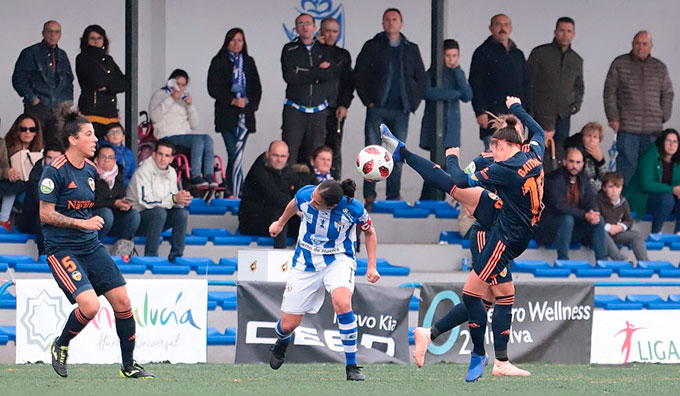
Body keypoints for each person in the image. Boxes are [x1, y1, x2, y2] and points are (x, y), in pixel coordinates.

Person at [382, 96, 539, 380]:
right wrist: (453, 160)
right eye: (496, 138)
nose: (495, 145)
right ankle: (490, 358)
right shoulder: (492, 160)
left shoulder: (521, 155)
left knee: (490, 299)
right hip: (488, 231)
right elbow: (454, 180)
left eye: (510, 130)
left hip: (501, 223)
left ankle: (429, 334)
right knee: (492, 295)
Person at [39, 108, 152, 378]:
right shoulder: (53, 172)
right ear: (72, 140)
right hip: (62, 249)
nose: (95, 140)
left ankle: (128, 366)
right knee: (90, 306)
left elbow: (89, 207)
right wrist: (82, 223)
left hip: (90, 246)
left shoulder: (90, 169)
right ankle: (61, 344)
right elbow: (45, 214)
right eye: (89, 134)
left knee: (123, 302)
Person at [268, 179, 380, 381]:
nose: (311, 203)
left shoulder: (353, 209)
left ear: (332, 206)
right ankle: (282, 340)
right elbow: (293, 205)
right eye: (313, 198)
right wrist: (280, 222)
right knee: (287, 325)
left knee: (343, 303)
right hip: (305, 261)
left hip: (338, 259)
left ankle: (352, 366)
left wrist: (372, 265)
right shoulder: (306, 194)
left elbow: (370, 232)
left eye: (317, 203)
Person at [354, 8, 427, 206]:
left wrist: (413, 102)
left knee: (395, 153)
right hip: (377, 108)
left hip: (401, 109)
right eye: (387, 19)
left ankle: (393, 195)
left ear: (401, 24)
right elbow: (359, 74)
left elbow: (421, 78)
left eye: (394, 19)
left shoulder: (411, 48)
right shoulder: (372, 46)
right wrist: (367, 100)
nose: (391, 23)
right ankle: (369, 196)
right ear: (382, 23)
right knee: (372, 152)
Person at [604, 30, 674, 184]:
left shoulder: (660, 67)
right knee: (627, 170)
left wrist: (664, 115)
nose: (640, 47)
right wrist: (613, 117)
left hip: (653, 130)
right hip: (627, 128)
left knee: (648, 172)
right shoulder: (620, 64)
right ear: (632, 44)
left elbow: (668, 93)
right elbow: (609, 92)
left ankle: (644, 208)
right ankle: (625, 206)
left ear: (651, 46)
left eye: (644, 44)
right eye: (637, 43)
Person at [207, 27, 262, 195]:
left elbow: (257, 88)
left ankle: (232, 188)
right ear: (227, 42)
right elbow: (212, 88)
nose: (236, 44)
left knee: (237, 154)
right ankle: (238, 189)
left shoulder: (249, 61)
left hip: (245, 117)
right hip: (226, 116)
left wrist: (248, 104)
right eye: (233, 40)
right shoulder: (219, 61)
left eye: (240, 40)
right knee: (234, 153)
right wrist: (232, 100)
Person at [419, 38, 473, 200]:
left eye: (454, 56)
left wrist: (457, 72)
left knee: (445, 165)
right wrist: (454, 94)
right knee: (437, 165)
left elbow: (467, 95)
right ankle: (432, 198)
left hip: (452, 128)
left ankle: (431, 198)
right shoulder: (433, 72)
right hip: (435, 126)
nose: (451, 59)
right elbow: (428, 93)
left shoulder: (458, 73)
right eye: (448, 55)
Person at [527, 16, 584, 168]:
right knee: (536, 156)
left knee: (559, 155)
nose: (565, 34)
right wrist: (530, 112)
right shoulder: (540, 53)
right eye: (562, 30)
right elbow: (527, 82)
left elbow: (579, 86)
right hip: (540, 115)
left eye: (569, 31)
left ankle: (555, 190)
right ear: (555, 32)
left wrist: (576, 105)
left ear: (573, 34)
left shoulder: (577, 60)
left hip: (564, 115)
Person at [469, 14, 530, 150]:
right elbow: (475, 83)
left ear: (511, 29)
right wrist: (480, 111)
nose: (502, 28)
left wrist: (527, 114)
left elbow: (525, 84)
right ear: (491, 28)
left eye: (506, 25)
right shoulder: (482, 52)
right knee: (494, 158)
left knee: (516, 159)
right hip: (493, 115)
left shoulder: (517, 54)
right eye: (498, 24)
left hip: (516, 117)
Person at [280, 13, 334, 166]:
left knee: (316, 156)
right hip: (295, 109)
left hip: (318, 111)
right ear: (296, 29)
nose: (305, 26)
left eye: (308, 23)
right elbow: (290, 77)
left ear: (315, 28)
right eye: (301, 23)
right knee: (290, 154)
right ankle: (288, 189)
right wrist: (317, 72)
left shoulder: (325, 49)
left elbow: (328, 75)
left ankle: (313, 190)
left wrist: (303, 70)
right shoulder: (289, 49)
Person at [149, 69, 217, 188]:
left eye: (183, 85)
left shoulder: (184, 98)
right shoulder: (160, 94)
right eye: (177, 84)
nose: (179, 87)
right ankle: (195, 176)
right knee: (198, 141)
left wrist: (190, 106)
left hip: (184, 135)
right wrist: (171, 99)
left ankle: (209, 174)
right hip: (167, 136)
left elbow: (194, 125)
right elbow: (155, 117)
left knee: (207, 138)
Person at [126, 139, 191, 261]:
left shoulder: (171, 172)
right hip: (137, 220)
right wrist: (173, 199)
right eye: (160, 154)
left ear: (171, 159)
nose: (163, 159)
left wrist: (181, 199)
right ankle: (151, 256)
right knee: (158, 212)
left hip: (159, 218)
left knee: (181, 213)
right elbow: (146, 202)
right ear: (154, 155)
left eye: (167, 156)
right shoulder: (144, 171)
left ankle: (176, 256)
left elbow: (172, 199)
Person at [538, 147, 607, 261]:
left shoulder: (584, 180)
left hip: (574, 228)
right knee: (567, 219)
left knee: (599, 220)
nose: (575, 166)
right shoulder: (553, 178)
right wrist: (585, 215)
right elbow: (559, 207)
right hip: (550, 229)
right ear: (564, 161)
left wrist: (593, 213)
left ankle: (602, 261)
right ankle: (563, 259)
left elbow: (591, 200)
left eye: (578, 162)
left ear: (582, 164)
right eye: (571, 161)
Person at [12, 20, 74, 141]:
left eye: (56, 32)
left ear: (60, 35)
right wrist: (33, 99)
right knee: (36, 144)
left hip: (59, 110)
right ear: (43, 33)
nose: (52, 35)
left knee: (57, 146)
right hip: (38, 108)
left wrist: (68, 102)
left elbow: (68, 80)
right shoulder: (30, 53)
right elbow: (18, 79)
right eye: (49, 31)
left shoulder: (62, 55)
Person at [238, 140, 302, 248]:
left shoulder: (287, 171)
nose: (279, 160)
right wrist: (295, 208)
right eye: (275, 155)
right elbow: (273, 194)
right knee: (281, 211)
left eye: (283, 156)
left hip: (275, 221)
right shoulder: (259, 170)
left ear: (288, 156)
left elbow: (300, 188)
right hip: (253, 220)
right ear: (268, 154)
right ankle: (280, 253)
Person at [75, 24, 126, 139]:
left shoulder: (108, 59)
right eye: (92, 38)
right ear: (86, 40)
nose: (96, 41)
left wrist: (108, 87)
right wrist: (112, 83)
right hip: (91, 112)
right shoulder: (82, 58)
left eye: (99, 38)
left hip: (110, 113)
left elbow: (125, 83)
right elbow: (98, 81)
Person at [625, 129, 680, 233]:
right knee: (667, 199)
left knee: (670, 199)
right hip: (645, 199)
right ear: (662, 142)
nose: (672, 145)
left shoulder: (677, 161)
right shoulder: (650, 156)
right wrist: (672, 189)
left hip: (668, 202)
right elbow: (646, 184)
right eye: (668, 141)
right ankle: (655, 233)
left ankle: (678, 234)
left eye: (675, 141)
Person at [318, 17, 354, 179]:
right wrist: (318, 45)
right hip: (314, 106)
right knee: (314, 146)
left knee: (334, 147)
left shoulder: (343, 55)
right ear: (321, 31)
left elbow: (348, 83)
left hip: (335, 107)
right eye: (328, 31)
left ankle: (335, 182)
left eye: (335, 32)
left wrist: (344, 105)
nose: (331, 35)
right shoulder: (313, 51)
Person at [92, 145, 140, 259]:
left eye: (110, 157)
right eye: (103, 157)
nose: (106, 160)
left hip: (114, 218)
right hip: (94, 217)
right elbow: (91, 201)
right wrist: (114, 203)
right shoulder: (89, 172)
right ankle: (93, 250)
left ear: (114, 160)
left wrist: (124, 203)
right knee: (106, 214)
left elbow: (119, 196)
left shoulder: (118, 173)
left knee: (134, 215)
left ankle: (121, 251)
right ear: (97, 158)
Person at [18, 139, 63, 256]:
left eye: (56, 159)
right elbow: (40, 200)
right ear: (44, 157)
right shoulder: (37, 172)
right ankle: (45, 255)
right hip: (33, 220)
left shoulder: (69, 170)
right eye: (49, 158)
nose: (53, 162)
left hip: (59, 215)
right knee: (46, 215)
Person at [1, 114, 45, 231]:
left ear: (36, 132)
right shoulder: (5, 147)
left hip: (31, 191)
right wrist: (7, 172)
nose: (28, 132)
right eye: (23, 129)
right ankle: (3, 221)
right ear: (17, 131)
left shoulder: (42, 152)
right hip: (11, 190)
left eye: (32, 129)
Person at [597, 172, 648, 263]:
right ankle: (622, 260)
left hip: (617, 232)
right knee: (602, 233)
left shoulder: (623, 201)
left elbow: (629, 220)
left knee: (636, 235)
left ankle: (645, 263)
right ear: (604, 188)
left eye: (618, 187)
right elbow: (595, 221)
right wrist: (609, 228)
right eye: (611, 187)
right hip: (600, 233)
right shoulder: (596, 200)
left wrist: (620, 227)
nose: (614, 191)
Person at [564, 122, 608, 191]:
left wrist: (601, 161)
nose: (591, 140)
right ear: (582, 137)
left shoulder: (598, 154)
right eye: (588, 136)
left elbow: (606, 179)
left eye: (595, 137)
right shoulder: (576, 152)